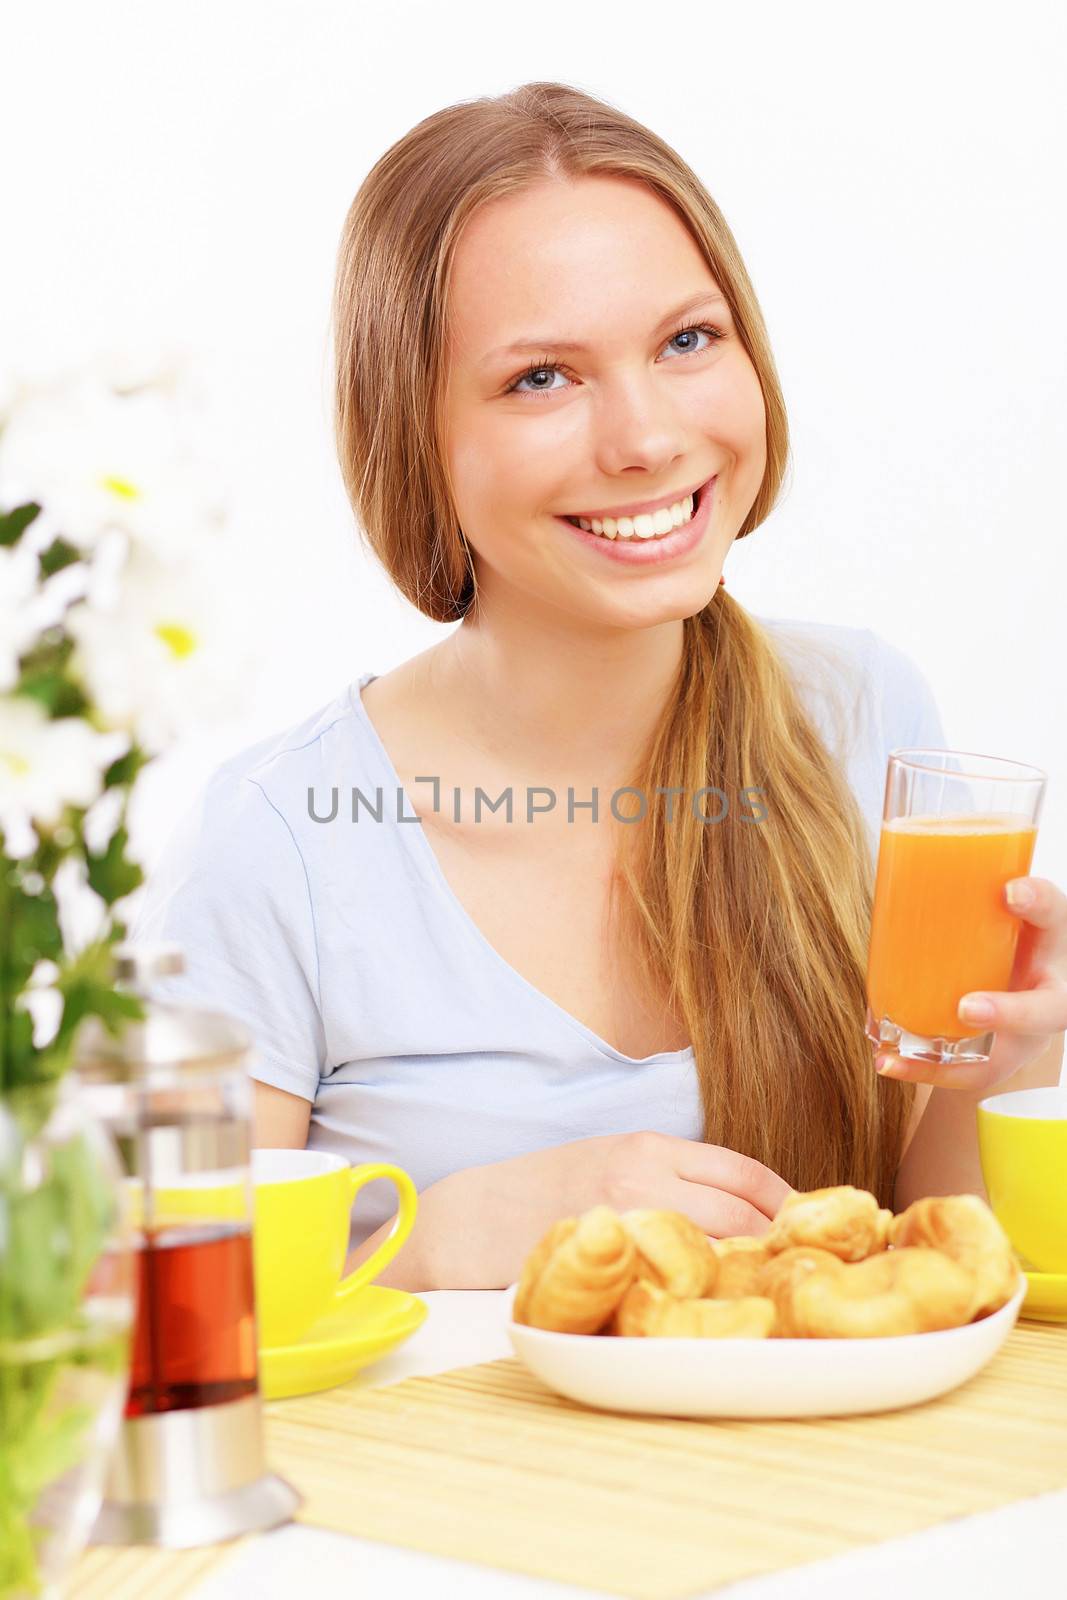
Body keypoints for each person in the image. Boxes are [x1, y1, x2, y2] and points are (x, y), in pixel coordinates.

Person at [132, 82, 1065, 1292]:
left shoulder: (856, 715)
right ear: (414, 435)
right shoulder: (281, 839)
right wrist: (466, 1225)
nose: (643, 438)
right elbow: (161, 1312)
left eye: (687, 341)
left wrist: (1005, 1059)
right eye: (540, 378)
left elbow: (920, 1265)